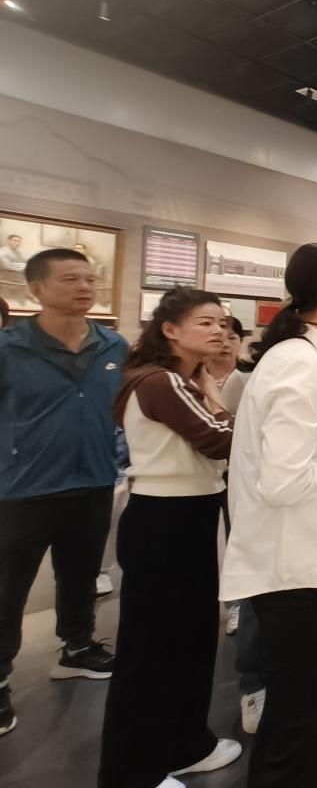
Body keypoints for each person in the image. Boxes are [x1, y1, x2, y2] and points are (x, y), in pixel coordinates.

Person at [219, 243, 317, 788]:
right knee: (304, 722)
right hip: (298, 570)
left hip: (311, 560)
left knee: (297, 714)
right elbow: (283, 481)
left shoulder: (313, 359)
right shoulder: (298, 365)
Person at [98, 287, 242, 788]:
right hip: (164, 521)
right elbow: (219, 439)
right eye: (206, 322)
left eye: (222, 323)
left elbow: (219, 430)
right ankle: (131, 772)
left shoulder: (185, 380)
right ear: (170, 330)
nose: (219, 331)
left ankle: (185, 744)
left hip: (189, 516)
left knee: (192, 639)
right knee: (151, 651)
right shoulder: (160, 381)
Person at [0, 248, 127, 739]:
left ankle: (76, 647)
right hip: (23, 489)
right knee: (8, 588)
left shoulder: (113, 345)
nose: (84, 287)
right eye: (71, 279)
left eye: (89, 279)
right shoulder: (10, 348)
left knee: (81, 574)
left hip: (93, 481)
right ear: (37, 289)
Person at [204, 314, 250, 635]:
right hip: (203, 470)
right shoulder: (191, 377)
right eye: (219, 336)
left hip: (238, 470)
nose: (225, 343)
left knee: (238, 536)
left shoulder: (249, 378)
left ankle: (237, 604)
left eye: (232, 337)